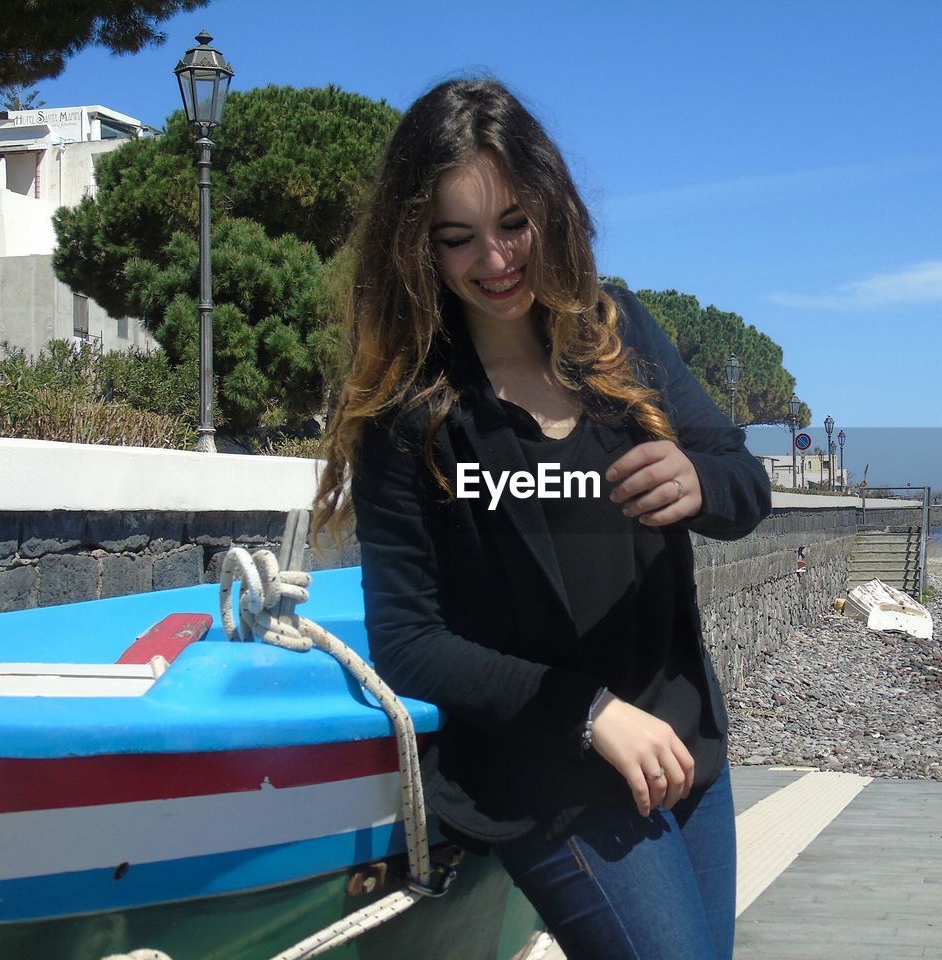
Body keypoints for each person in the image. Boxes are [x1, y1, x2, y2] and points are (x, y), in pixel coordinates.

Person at [313, 77, 771, 960]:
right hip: (548, 775)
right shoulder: (409, 416)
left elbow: (742, 480)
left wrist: (699, 484)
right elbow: (407, 640)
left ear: (552, 208)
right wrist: (590, 712)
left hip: (684, 746)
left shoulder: (621, 332)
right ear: (419, 248)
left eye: (513, 224)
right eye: (459, 239)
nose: (495, 260)